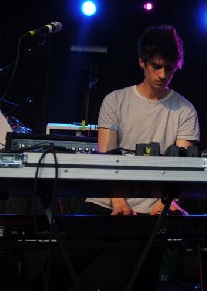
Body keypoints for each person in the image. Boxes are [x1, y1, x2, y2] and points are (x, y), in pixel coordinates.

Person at [86, 24, 200, 215]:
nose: (163, 75)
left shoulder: (186, 110)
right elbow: (106, 158)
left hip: (158, 206)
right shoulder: (114, 101)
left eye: (169, 68)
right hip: (108, 201)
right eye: (156, 66)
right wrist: (118, 201)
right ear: (142, 62)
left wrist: (167, 201)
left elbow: (182, 166)